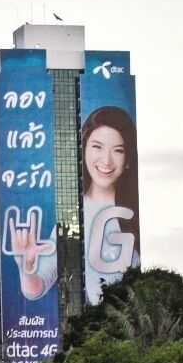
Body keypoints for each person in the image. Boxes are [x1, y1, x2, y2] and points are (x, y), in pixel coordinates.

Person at [78, 104, 139, 302]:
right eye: (97, 147)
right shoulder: (72, 215)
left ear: (128, 159)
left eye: (118, 151)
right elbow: (39, 284)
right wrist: (27, 266)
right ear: (84, 149)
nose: (106, 160)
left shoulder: (131, 216)